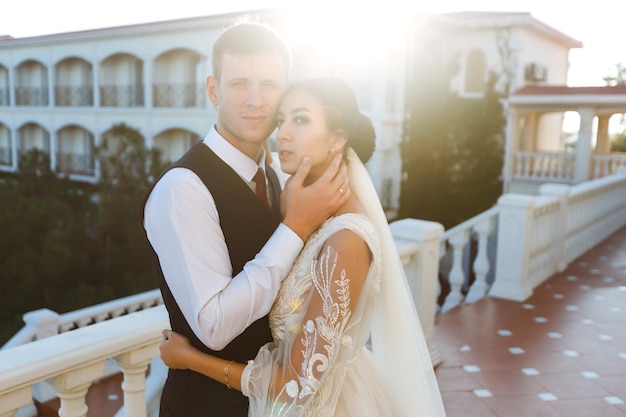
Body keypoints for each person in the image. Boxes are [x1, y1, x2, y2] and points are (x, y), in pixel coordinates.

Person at [160, 78, 447, 417]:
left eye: (300, 120)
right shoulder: (309, 213)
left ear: (337, 137)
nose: (281, 134)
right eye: (282, 121)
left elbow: (295, 386)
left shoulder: (346, 241)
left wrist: (190, 359)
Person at [143, 20, 350, 417]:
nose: (256, 100)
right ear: (213, 90)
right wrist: (294, 228)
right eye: (239, 84)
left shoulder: (274, 175)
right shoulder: (182, 188)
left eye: (270, 85)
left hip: (276, 404)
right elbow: (215, 326)